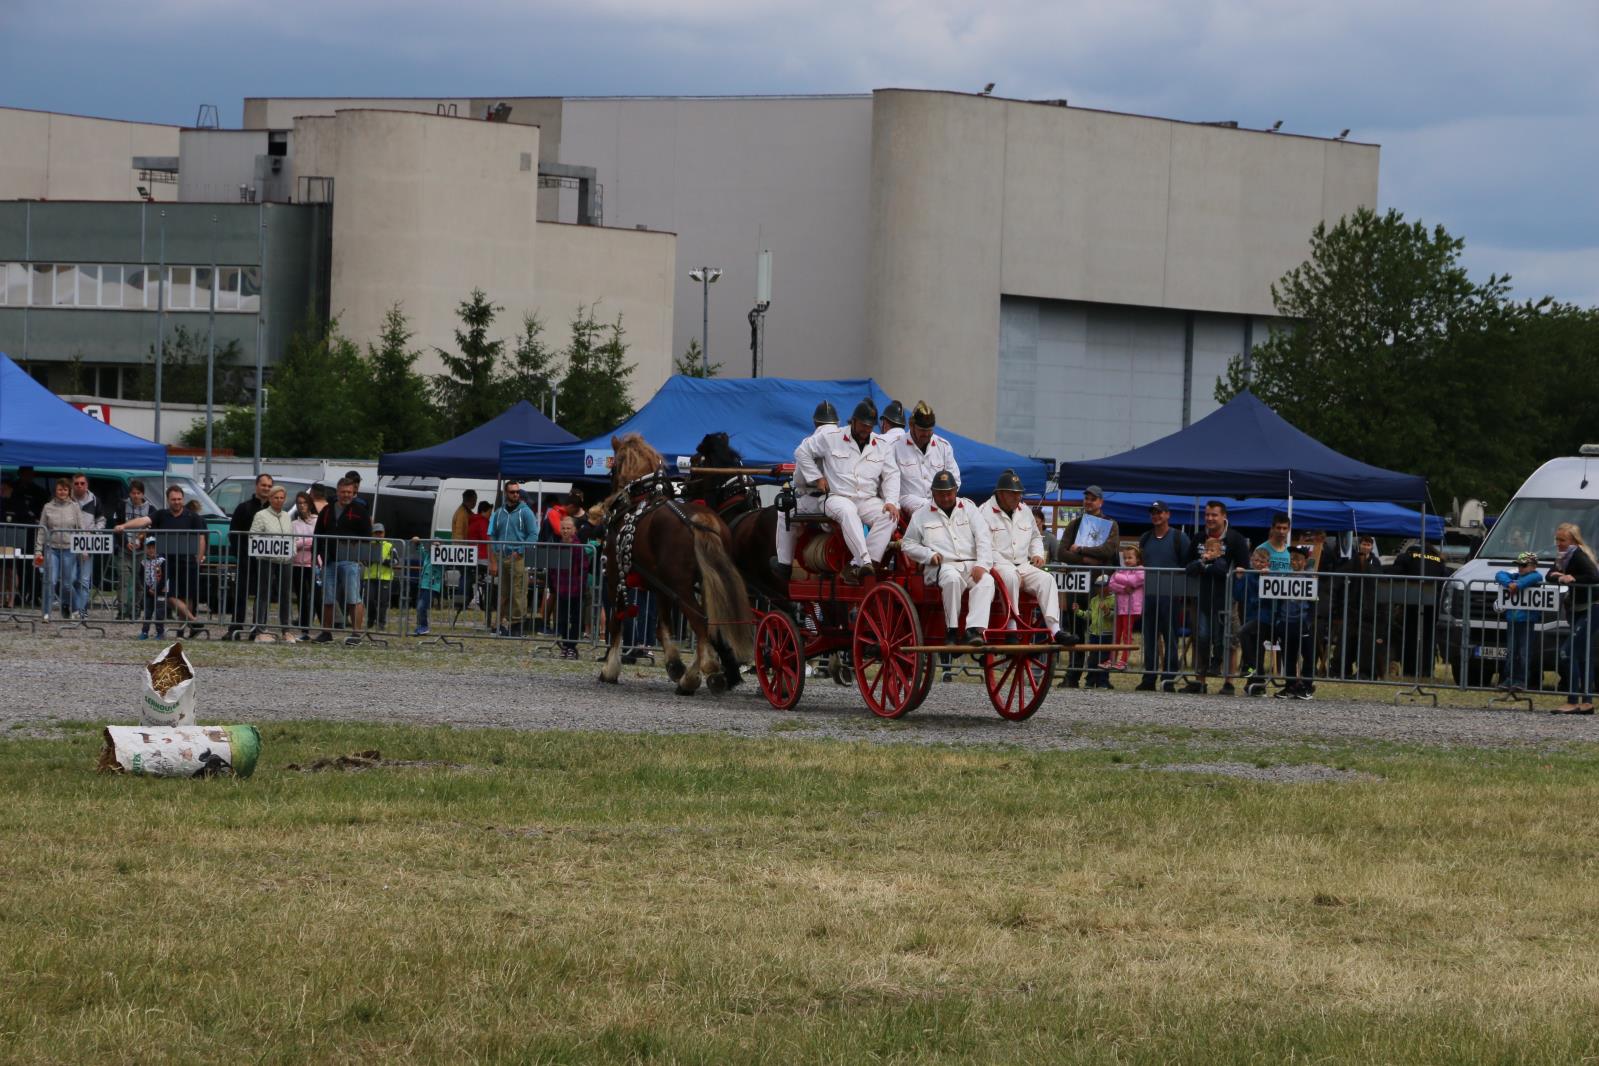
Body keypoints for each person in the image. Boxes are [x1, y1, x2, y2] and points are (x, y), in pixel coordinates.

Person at [795, 400, 900, 583]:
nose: (866, 429)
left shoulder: (881, 444)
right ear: (853, 421)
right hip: (836, 496)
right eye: (862, 425)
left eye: (869, 426)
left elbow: (892, 474)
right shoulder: (832, 437)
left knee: (889, 515)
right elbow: (802, 452)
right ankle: (864, 562)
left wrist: (891, 501)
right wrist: (817, 478)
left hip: (866, 499)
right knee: (847, 511)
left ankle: (858, 565)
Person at [900, 470, 993, 645]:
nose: (945, 498)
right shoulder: (921, 514)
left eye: (949, 493)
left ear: (956, 490)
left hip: (970, 565)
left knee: (987, 581)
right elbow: (908, 544)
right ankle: (951, 631)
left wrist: (982, 565)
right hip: (941, 565)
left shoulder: (969, 509)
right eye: (941, 494)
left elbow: (984, 537)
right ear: (933, 493)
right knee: (952, 579)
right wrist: (928, 555)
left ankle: (973, 631)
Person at [981, 469, 1069, 645]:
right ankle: (1011, 628)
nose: (1017, 498)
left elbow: (1036, 537)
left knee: (1047, 579)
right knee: (1011, 576)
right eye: (1013, 494)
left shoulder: (1025, 511)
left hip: (1022, 564)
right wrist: (1011, 568)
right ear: (1000, 493)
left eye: (1019, 494)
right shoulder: (984, 512)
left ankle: (1055, 630)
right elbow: (984, 547)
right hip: (997, 565)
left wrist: (1036, 553)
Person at [120, 485, 208, 637]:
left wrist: (199, 559)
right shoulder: (160, 514)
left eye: (179, 499)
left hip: (188, 562)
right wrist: (124, 526)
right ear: (168, 500)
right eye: (173, 499)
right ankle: (194, 621)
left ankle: (182, 630)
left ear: (183, 499)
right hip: (164, 564)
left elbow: (201, 539)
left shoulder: (193, 517)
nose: (176, 502)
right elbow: (142, 520)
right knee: (168, 594)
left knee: (187, 597)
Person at [1184, 500, 1252, 695]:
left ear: (1224, 517)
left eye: (1214, 515)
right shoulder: (1198, 538)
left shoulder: (1235, 539)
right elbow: (1186, 563)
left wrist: (1235, 572)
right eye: (1207, 515)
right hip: (1202, 598)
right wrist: (1199, 563)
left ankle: (1228, 682)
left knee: (1229, 640)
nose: (1210, 518)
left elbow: (1244, 565)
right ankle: (1200, 681)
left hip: (1227, 599)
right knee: (1201, 638)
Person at [772, 400, 838, 581]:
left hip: (819, 500)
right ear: (836, 422)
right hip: (845, 499)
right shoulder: (845, 439)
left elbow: (800, 481)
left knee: (785, 511)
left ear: (816, 423)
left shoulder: (809, 442)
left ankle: (784, 564)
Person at [1136, 501, 1191, 692]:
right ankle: (1149, 677)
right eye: (1153, 512)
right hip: (1150, 593)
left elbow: (1187, 564)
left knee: (1170, 637)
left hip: (1171, 595)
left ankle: (1168, 677)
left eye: (1159, 512)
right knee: (1149, 636)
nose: (1156, 515)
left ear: (1168, 514)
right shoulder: (1145, 538)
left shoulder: (1179, 537)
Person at [312, 476, 372, 646]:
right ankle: (326, 633)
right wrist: (319, 555)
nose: (346, 495)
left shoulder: (360, 511)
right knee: (328, 598)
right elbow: (318, 534)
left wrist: (359, 555)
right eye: (343, 491)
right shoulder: (326, 511)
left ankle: (356, 633)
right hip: (329, 561)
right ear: (337, 492)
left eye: (349, 492)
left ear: (354, 493)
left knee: (353, 598)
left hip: (350, 561)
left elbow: (367, 536)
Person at [1546, 522, 1598, 715]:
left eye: (1562, 540)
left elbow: (1594, 577)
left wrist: (1573, 578)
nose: (1558, 543)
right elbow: (1549, 575)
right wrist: (1561, 577)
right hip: (1576, 610)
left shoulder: (1578, 554)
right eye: (1557, 539)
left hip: (1592, 608)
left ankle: (1573, 700)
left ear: (1574, 541)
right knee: (1583, 656)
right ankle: (1587, 702)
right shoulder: (1563, 556)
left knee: (1566, 653)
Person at [33, 477, 88, 623]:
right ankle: (46, 613)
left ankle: (76, 608)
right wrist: (38, 551)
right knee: (50, 581)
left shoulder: (75, 507)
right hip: (52, 549)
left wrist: (84, 549)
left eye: (65, 489)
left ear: (69, 491)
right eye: (59, 489)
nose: (62, 492)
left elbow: (81, 528)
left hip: (70, 549)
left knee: (67, 584)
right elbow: (42, 530)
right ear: (55, 491)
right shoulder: (47, 507)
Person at [226, 473, 274, 640]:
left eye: (269, 486)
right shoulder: (243, 508)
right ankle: (235, 627)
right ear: (256, 486)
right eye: (263, 485)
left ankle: (258, 628)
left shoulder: (273, 510)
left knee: (263, 594)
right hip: (245, 558)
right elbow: (233, 534)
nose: (266, 488)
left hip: (266, 560)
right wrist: (240, 554)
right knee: (240, 593)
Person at [488, 481, 538, 636]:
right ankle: (500, 624)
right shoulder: (498, 513)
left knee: (518, 591)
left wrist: (521, 550)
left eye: (517, 492)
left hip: (518, 557)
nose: (516, 494)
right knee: (503, 592)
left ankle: (517, 625)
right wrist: (494, 558)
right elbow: (492, 534)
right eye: (512, 492)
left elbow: (533, 534)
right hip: (502, 556)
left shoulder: (526, 512)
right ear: (506, 493)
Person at [893, 401, 960, 515]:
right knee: (927, 510)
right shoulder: (896, 447)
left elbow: (955, 480)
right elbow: (888, 481)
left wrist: (943, 498)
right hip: (907, 501)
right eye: (922, 430)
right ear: (911, 425)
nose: (927, 434)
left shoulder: (943, 446)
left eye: (930, 430)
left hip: (939, 501)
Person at [1495, 550, 1545, 694]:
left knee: (1524, 652)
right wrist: (1510, 583)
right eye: (1519, 565)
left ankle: (1521, 680)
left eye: (1523, 565)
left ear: (1533, 566)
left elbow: (1532, 579)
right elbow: (1499, 574)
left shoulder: (1536, 576)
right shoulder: (1515, 576)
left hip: (1528, 621)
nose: (1520, 568)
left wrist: (1517, 585)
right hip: (1512, 619)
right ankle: (1508, 679)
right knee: (1511, 651)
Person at [1272, 547, 1316, 700]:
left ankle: (1307, 685)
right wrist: (1278, 620)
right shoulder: (1285, 576)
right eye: (1292, 559)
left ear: (1304, 561)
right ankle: (1290, 685)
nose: (1294, 562)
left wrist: (1310, 620)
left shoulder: (1310, 577)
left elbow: (1314, 602)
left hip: (1303, 621)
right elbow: (1278, 599)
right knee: (1288, 655)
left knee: (1307, 655)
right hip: (1286, 621)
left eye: (1297, 559)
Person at [249, 485, 294, 637]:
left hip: (285, 560)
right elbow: (254, 535)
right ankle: (261, 628)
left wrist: (291, 552)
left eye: (281, 498)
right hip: (267, 560)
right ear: (270, 499)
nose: (279, 500)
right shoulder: (261, 515)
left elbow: (291, 536)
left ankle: (286, 629)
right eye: (276, 497)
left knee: (286, 594)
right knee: (264, 593)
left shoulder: (287, 516)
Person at [1235, 547, 1276, 695]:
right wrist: (1239, 579)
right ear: (1251, 560)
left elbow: (1267, 600)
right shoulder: (1248, 575)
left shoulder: (1271, 577)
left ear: (1268, 563)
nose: (1258, 564)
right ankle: (1256, 682)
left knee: (1243, 633)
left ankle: (1250, 667)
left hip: (1265, 618)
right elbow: (1238, 596)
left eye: (1262, 561)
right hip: (1249, 616)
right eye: (1256, 560)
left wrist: (1265, 579)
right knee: (1255, 646)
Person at [115, 480, 156, 620]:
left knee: (139, 581)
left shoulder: (150, 509)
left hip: (142, 551)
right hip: (125, 549)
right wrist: (125, 543)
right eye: (133, 493)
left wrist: (142, 541)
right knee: (123, 579)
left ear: (143, 494)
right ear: (129, 493)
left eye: (138, 493)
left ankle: (136, 607)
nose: (136, 496)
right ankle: (122, 609)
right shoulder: (122, 506)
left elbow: (152, 530)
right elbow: (117, 527)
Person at [551, 514, 592, 659]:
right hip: (561, 588)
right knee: (561, 619)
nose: (565, 531)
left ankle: (571, 647)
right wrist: (554, 584)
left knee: (575, 619)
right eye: (563, 528)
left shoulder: (579, 547)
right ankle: (565, 644)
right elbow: (553, 568)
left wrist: (580, 585)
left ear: (574, 530)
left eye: (568, 528)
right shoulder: (557, 545)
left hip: (575, 589)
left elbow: (584, 568)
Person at [69, 472, 105, 620]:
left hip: (88, 544)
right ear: (73, 485)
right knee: (69, 580)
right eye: (76, 483)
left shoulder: (95, 500)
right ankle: (76, 607)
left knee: (84, 581)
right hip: (69, 545)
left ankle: (82, 611)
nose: (79, 486)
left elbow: (101, 520)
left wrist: (95, 534)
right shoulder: (67, 499)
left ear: (87, 485)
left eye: (82, 483)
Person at [1105, 544, 1145, 671]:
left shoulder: (1140, 569)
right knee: (1116, 634)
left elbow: (1135, 581)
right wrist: (1123, 588)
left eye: (1130, 558)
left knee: (1126, 634)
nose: (1127, 560)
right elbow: (1111, 584)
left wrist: (1118, 578)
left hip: (1132, 608)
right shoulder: (1121, 570)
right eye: (1125, 558)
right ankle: (1112, 659)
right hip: (1120, 607)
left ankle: (1124, 660)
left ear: (1137, 559)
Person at [1075, 577, 1117, 689]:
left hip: (1107, 634)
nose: (1100, 589)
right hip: (1094, 634)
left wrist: (1108, 612)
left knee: (1104, 659)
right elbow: (1089, 614)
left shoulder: (1114, 600)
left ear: (1109, 586)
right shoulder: (1094, 600)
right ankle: (1090, 681)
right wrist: (1078, 612)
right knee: (1092, 658)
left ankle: (1103, 682)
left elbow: (1116, 616)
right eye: (1098, 586)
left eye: (1103, 586)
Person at [291, 491, 319, 639]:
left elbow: (319, 540)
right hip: (298, 564)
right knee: (302, 597)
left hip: (314, 564)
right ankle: (304, 630)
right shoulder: (294, 524)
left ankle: (323, 629)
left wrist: (304, 542)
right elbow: (293, 543)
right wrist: (307, 542)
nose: (302, 506)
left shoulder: (317, 520)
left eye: (304, 503)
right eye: (299, 503)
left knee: (316, 596)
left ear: (309, 504)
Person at [363, 522, 396, 631]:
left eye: (380, 533)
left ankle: (381, 623)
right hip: (370, 577)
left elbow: (396, 561)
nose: (378, 535)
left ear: (384, 533)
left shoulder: (390, 545)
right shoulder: (368, 545)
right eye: (376, 533)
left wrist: (384, 561)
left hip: (385, 578)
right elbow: (363, 560)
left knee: (383, 602)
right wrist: (369, 560)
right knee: (369, 599)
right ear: (372, 534)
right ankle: (371, 619)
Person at [412, 536, 444, 637]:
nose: (435, 547)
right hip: (423, 584)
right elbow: (421, 550)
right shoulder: (427, 555)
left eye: (437, 545)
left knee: (421, 606)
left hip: (432, 585)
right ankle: (421, 626)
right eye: (433, 544)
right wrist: (417, 542)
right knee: (420, 607)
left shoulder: (442, 557)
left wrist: (439, 548)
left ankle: (424, 626)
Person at [451, 489, 478, 605]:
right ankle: (460, 602)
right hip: (462, 551)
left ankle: (463, 600)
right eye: (475, 500)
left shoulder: (466, 512)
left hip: (464, 551)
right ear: (470, 500)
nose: (475, 503)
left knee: (467, 576)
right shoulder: (462, 514)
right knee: (466, 576)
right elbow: (458, 535)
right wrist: (462, 552)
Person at [138, 537, 167, 640]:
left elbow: (164, 578)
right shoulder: (143, 562)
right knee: (147, 612)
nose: (151, 550)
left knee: (159, 612)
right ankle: (144, 632)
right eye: (149, 547)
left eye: (153, 547)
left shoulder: (162, 561)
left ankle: (160, 632)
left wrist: (156, 589)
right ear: (145, 549)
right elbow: (141, 578)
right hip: (148, 592)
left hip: (161, 592)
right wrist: (147, 589)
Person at [467, 500, 492, 612]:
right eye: (489, 513)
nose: (490, 515)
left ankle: (476, 599)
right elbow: (487, 539)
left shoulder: (472, 520)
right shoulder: (483, 522)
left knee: (476, 579)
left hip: (473, 555)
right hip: (482, 556)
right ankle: (479, 600)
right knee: (488, 577)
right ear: (484, 511)